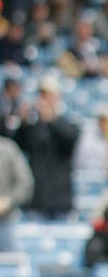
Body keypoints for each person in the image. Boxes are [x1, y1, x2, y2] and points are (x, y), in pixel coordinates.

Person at [14, 75, 80, 220]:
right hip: (35, 198)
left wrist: (51, 119)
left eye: (49, 95)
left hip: (60, 199)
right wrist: (23, 123)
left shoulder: (67, 121)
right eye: (42, 95)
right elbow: (17, 146)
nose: (44, 100)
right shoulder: (33, 126)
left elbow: (71, 139)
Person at [0, 134, 33, 252]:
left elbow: (26, 184)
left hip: (5, 222)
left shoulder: (8, 148)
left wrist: (8, 201)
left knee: (12, 264)